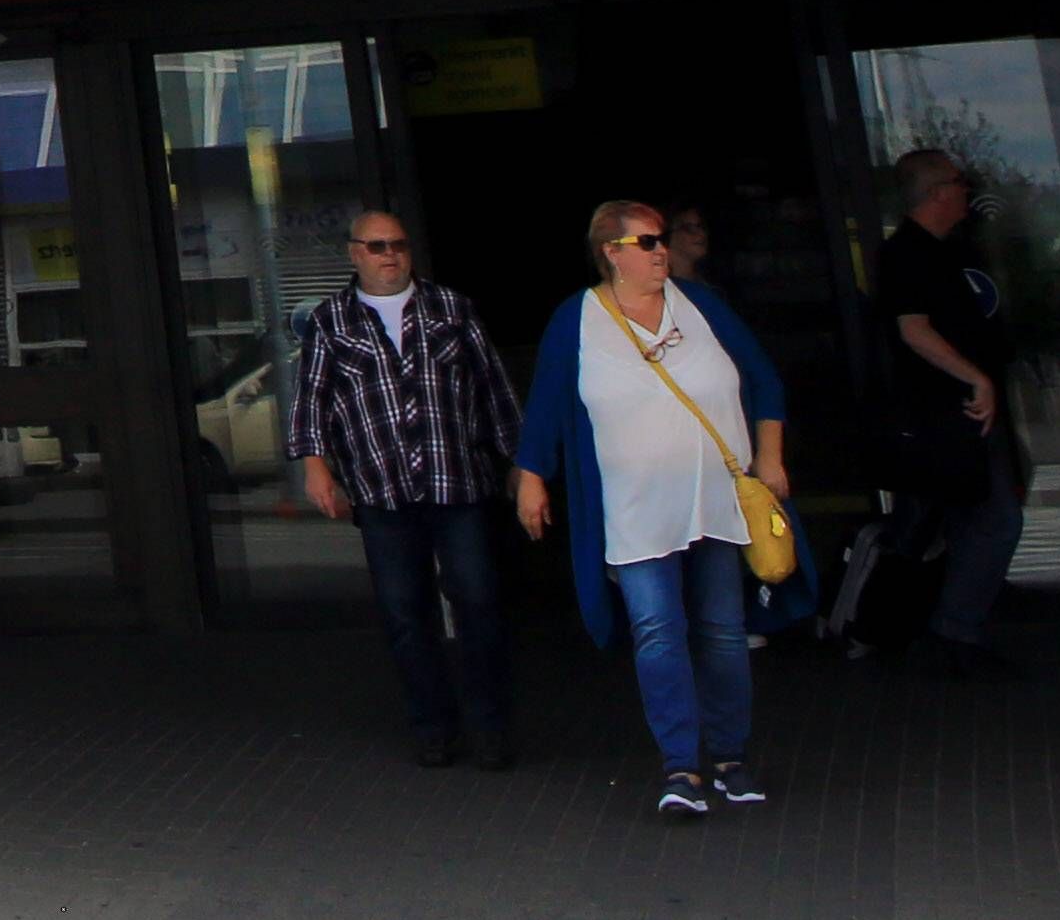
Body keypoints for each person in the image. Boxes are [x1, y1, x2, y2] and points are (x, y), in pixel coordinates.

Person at [514, 197, 789, 822]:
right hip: (636, 508)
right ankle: (680, 769)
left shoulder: (703, 306)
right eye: (647, 243)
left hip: (716, 499)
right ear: (611, 252)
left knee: (721, 631)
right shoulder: (576, 319)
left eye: (662, 239)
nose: (661, 250)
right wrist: (531, 478)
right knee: (658, 632)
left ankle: (730, 757)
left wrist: (770, 459)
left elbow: (766, 381)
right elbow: (548, 405)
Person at [287, 206, 522, 767]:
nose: (389, 255)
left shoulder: (451, 309)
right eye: (376, 246)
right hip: (381, 489)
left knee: (478, 600)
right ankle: (433, 726)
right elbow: (311, 399)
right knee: (403, 612)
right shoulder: (330, 321)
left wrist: (521, 461)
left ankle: (490, 728)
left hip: (456, 481)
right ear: (353, 253)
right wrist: (315, 464)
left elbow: (494, 388)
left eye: (398, 244)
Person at [860, 148, 1034, 676]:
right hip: (945, 414)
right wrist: (974, 377)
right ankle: (951, 627)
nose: (967, 191)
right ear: (938, 191)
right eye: (959, 182)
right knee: (994, 519)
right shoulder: (906, 254)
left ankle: (939, 625)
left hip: (966, 410)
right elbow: (912, 329)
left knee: (959, 519)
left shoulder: (947, 250)